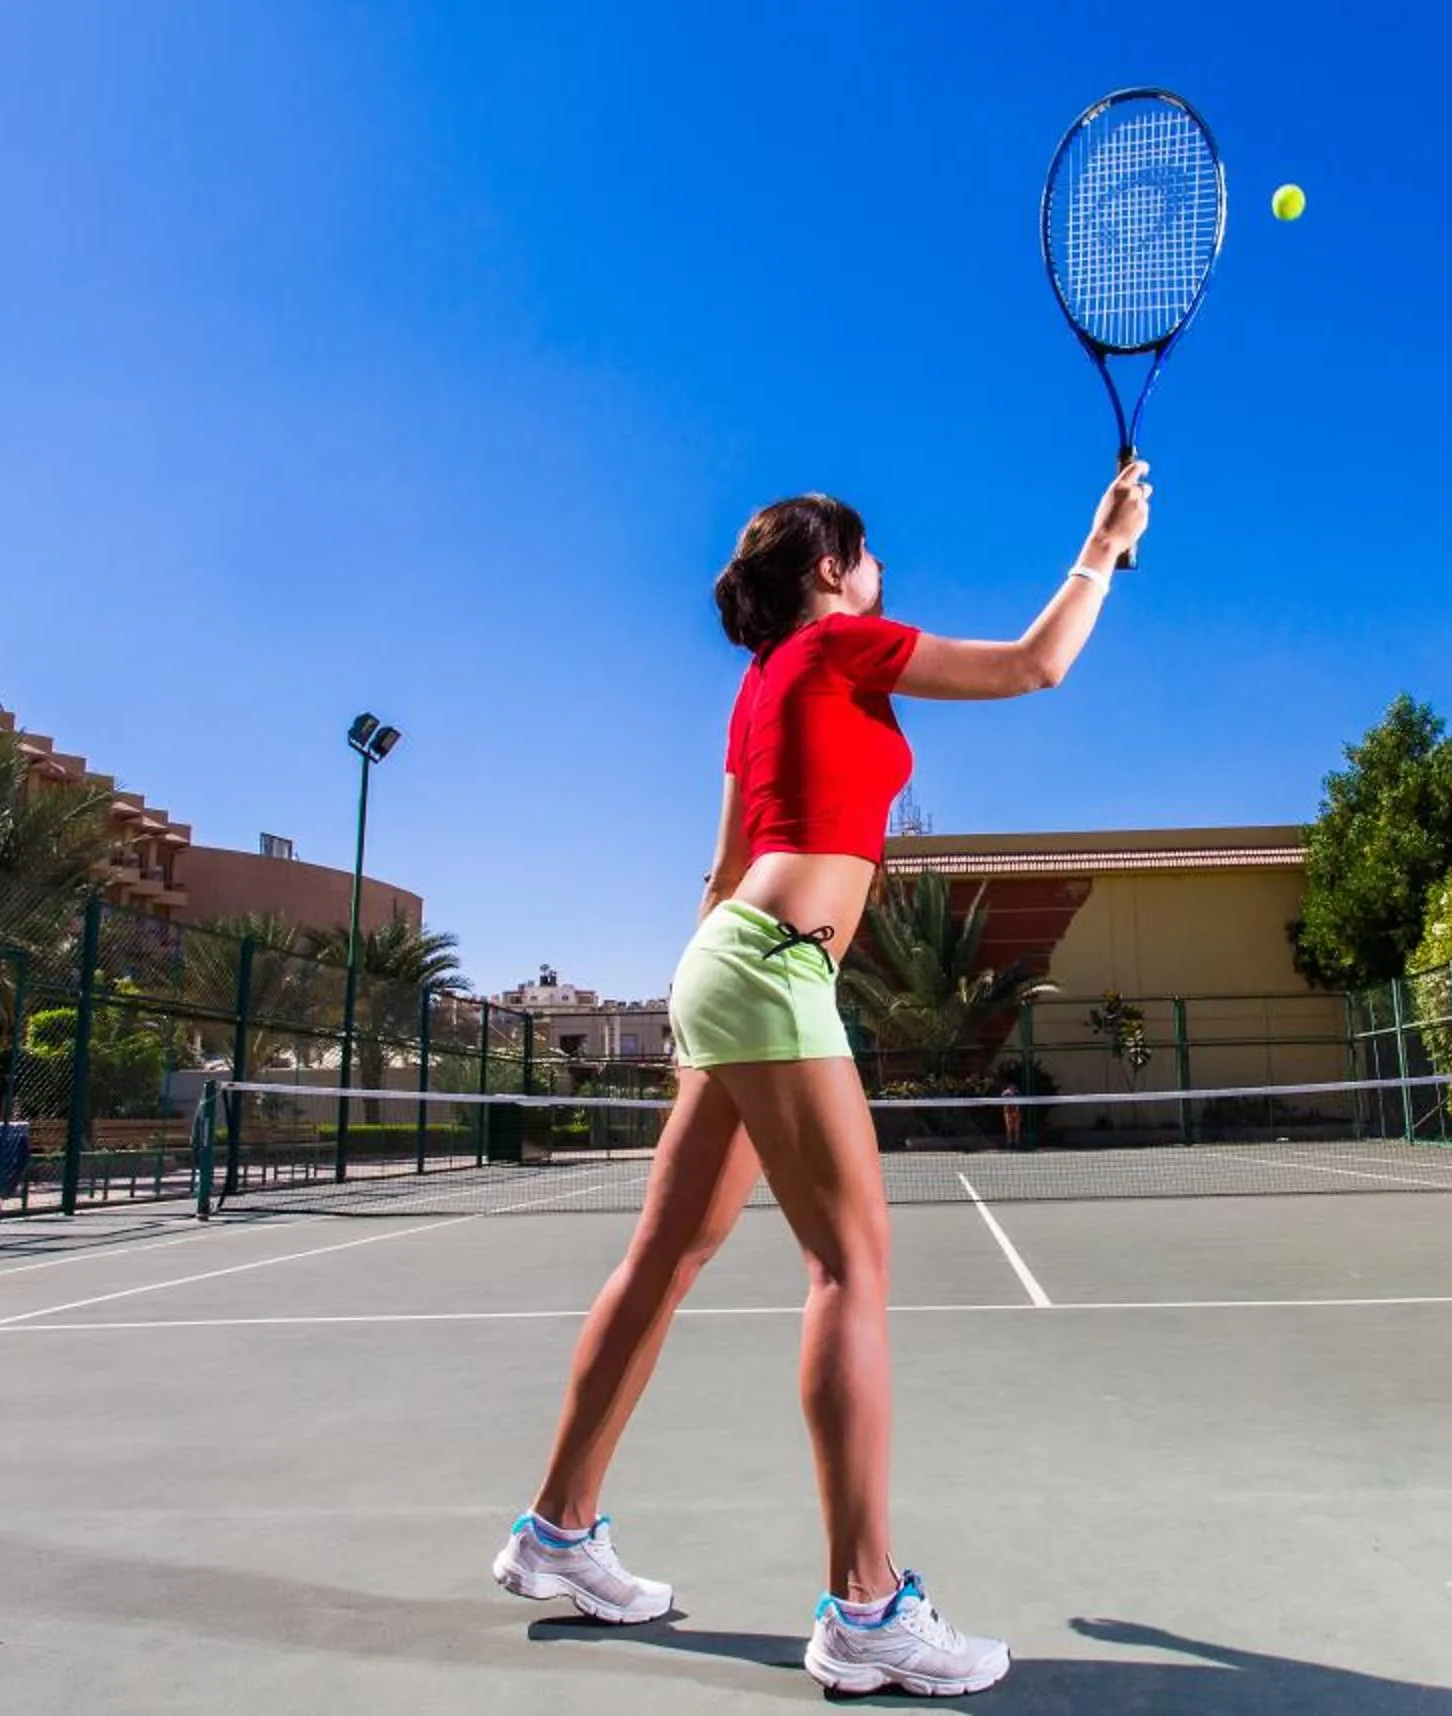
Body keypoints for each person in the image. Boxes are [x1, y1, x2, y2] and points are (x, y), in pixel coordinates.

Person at [492, 461, 1151, 1697]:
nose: (885, 567)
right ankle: (867, 1609)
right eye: (871, 552)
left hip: (723, 960)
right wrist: (1103, 546)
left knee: (668, 1255)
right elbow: (1032, 665)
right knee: (849, 1267)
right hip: (770, 970)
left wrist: (699, 1019)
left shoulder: (755, 692)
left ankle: (558, 1531)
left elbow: (724, 860)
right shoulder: (844, 647)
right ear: (832, 572)